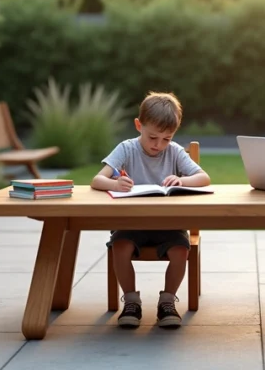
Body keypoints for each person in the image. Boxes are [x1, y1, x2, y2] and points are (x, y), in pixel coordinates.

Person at [90, 92, 210, 329]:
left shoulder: (174, 151)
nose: (158, 145)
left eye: (166, 138)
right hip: (131, 223)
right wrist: (115, 184)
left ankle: (167, 302)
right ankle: (131, 302)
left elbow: (204, 178)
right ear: (139, 125)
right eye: (153, 137)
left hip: (168, 225)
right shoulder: (126, 149)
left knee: (180, 250)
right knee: (120, 247)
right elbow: (97, 180)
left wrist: (182, 180)